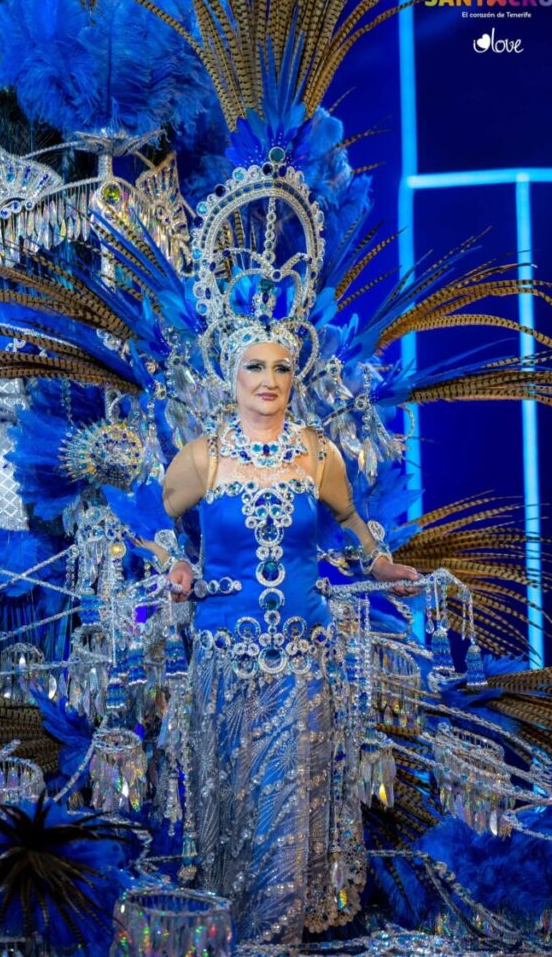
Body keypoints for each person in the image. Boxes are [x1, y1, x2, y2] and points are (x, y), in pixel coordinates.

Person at [160, 336, 423, 944]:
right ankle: (234, 933)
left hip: (304, 665)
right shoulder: (202, 457)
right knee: (235, 808)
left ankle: (273, 940)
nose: (268, 379)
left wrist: (379, 564)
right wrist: (176, 563)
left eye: (281, 367)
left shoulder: (316, 453)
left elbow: (351, 518)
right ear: (231, 376)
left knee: (288, 808)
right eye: (253, 366)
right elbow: (162, 519)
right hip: (226, 663)